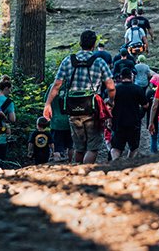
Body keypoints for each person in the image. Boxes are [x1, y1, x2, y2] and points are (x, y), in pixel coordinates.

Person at [43, 30, 116, 164]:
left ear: (80, 43)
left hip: (73, 109)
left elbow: (56, 85)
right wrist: (110, 101)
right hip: (92, 109)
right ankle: (86, 172)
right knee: (92, 146)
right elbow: (111, 86)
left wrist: (47, 104)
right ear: (93, 45)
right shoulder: (99, 62)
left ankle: (76, 171)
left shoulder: (68, 60)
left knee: (78, 146)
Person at [110, 67, 149, 159]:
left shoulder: (115, 89)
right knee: (134, 147)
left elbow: (109, 105)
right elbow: (146, 105)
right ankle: (129, 162)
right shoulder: (138, 89)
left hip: (118, 122)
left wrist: (109, 119)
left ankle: (115, 163)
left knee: (116, 147)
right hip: (134, 122)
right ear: (131, 76)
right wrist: (141, 114)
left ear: (120, 77)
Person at [48, 91, 74, 162]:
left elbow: (46, 101)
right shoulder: (70, 86)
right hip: (70, 121)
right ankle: (70, 163)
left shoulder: (52, 87)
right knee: (70, 146)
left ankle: (57, 165)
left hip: (56, 123)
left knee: (57, 147)